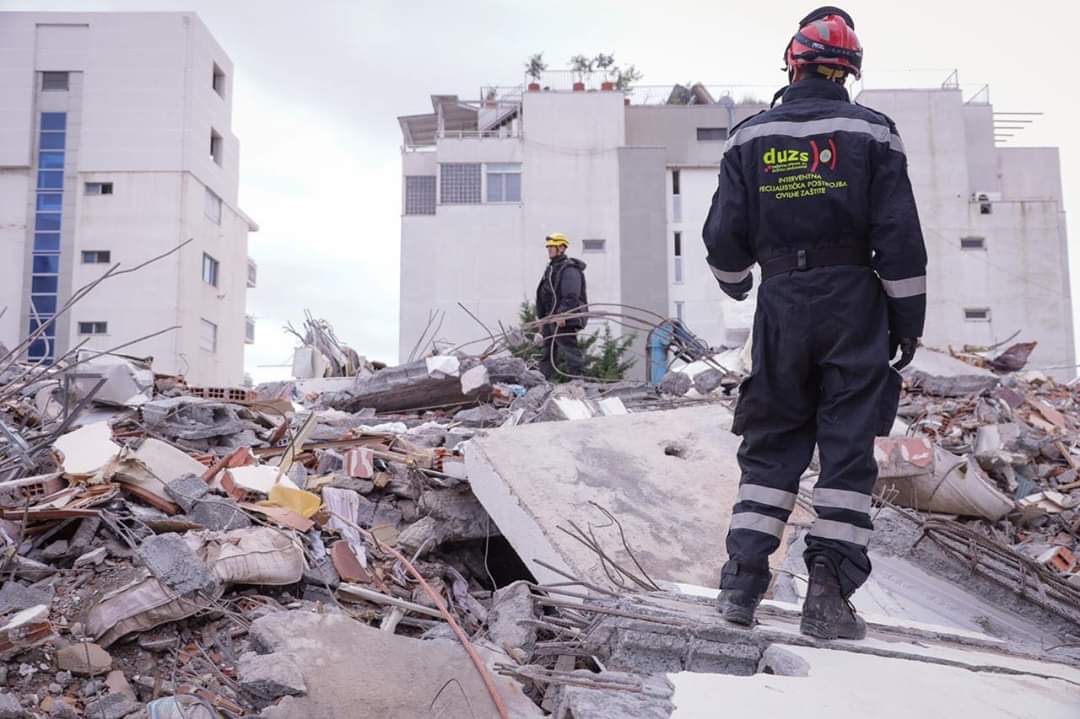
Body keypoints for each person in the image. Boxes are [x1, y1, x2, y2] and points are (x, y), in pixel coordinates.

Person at [703, 6, 927, 640]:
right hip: (854, 302)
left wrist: (737, 284)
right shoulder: (874, 133)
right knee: (847, 447)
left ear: (791, 63)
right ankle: (827, 596)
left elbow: (722, 238)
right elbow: (900, 240)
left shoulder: (749, 138)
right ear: (849, 71)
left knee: (772, 441)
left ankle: (741, 586)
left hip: (781, 304)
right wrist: (906, 322)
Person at [535, 232, 587, 379]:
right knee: (547, 352)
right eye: (548, 247)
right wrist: (542, 319)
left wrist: (563, 313)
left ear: (562, 248)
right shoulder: (552, 269)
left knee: (569, 349)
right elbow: (545, 295)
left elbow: (571, 295)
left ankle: (577, 381)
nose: (549, 249)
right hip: (550, 317)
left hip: (564, 318)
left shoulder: (569, 269)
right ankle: (543, 381)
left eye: (552, 246)